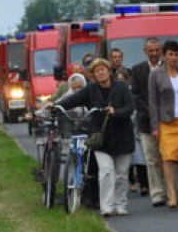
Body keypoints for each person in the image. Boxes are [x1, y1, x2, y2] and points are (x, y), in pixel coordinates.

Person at [51, 58, 135, 216]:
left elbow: (130, 107)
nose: (101, 73)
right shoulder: (90, 89)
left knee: (121, 174)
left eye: (103, 70)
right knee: (106, 172)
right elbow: (72, 99)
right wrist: (57, 106)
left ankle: (120, 203)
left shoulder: (121, 87)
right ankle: (106, 206)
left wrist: (116, 112)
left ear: (109, 71)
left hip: (122, 136)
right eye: (97, 71)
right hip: (100, 138)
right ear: (93, 75)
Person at [148, 40, 178, 209]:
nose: (174, 58)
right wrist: (154, 126)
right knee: (168, 157)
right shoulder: (156, 74)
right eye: (170, 54)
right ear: (164, 55)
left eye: (176, 54)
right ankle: (171, 193)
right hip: (166, 122)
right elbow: (152, 101)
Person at [131, 37, 167, 206]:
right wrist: (151, 112)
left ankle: (171, 190)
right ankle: (157, 193)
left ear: (161, 51)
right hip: (146, 123)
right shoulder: (137, 70)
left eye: (157, 50)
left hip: (167, 121)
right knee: (151, 158)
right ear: (145, 51)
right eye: (150, 50)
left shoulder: (169, 67)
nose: (154, 54)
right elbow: (136, 96)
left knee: (167, 157)